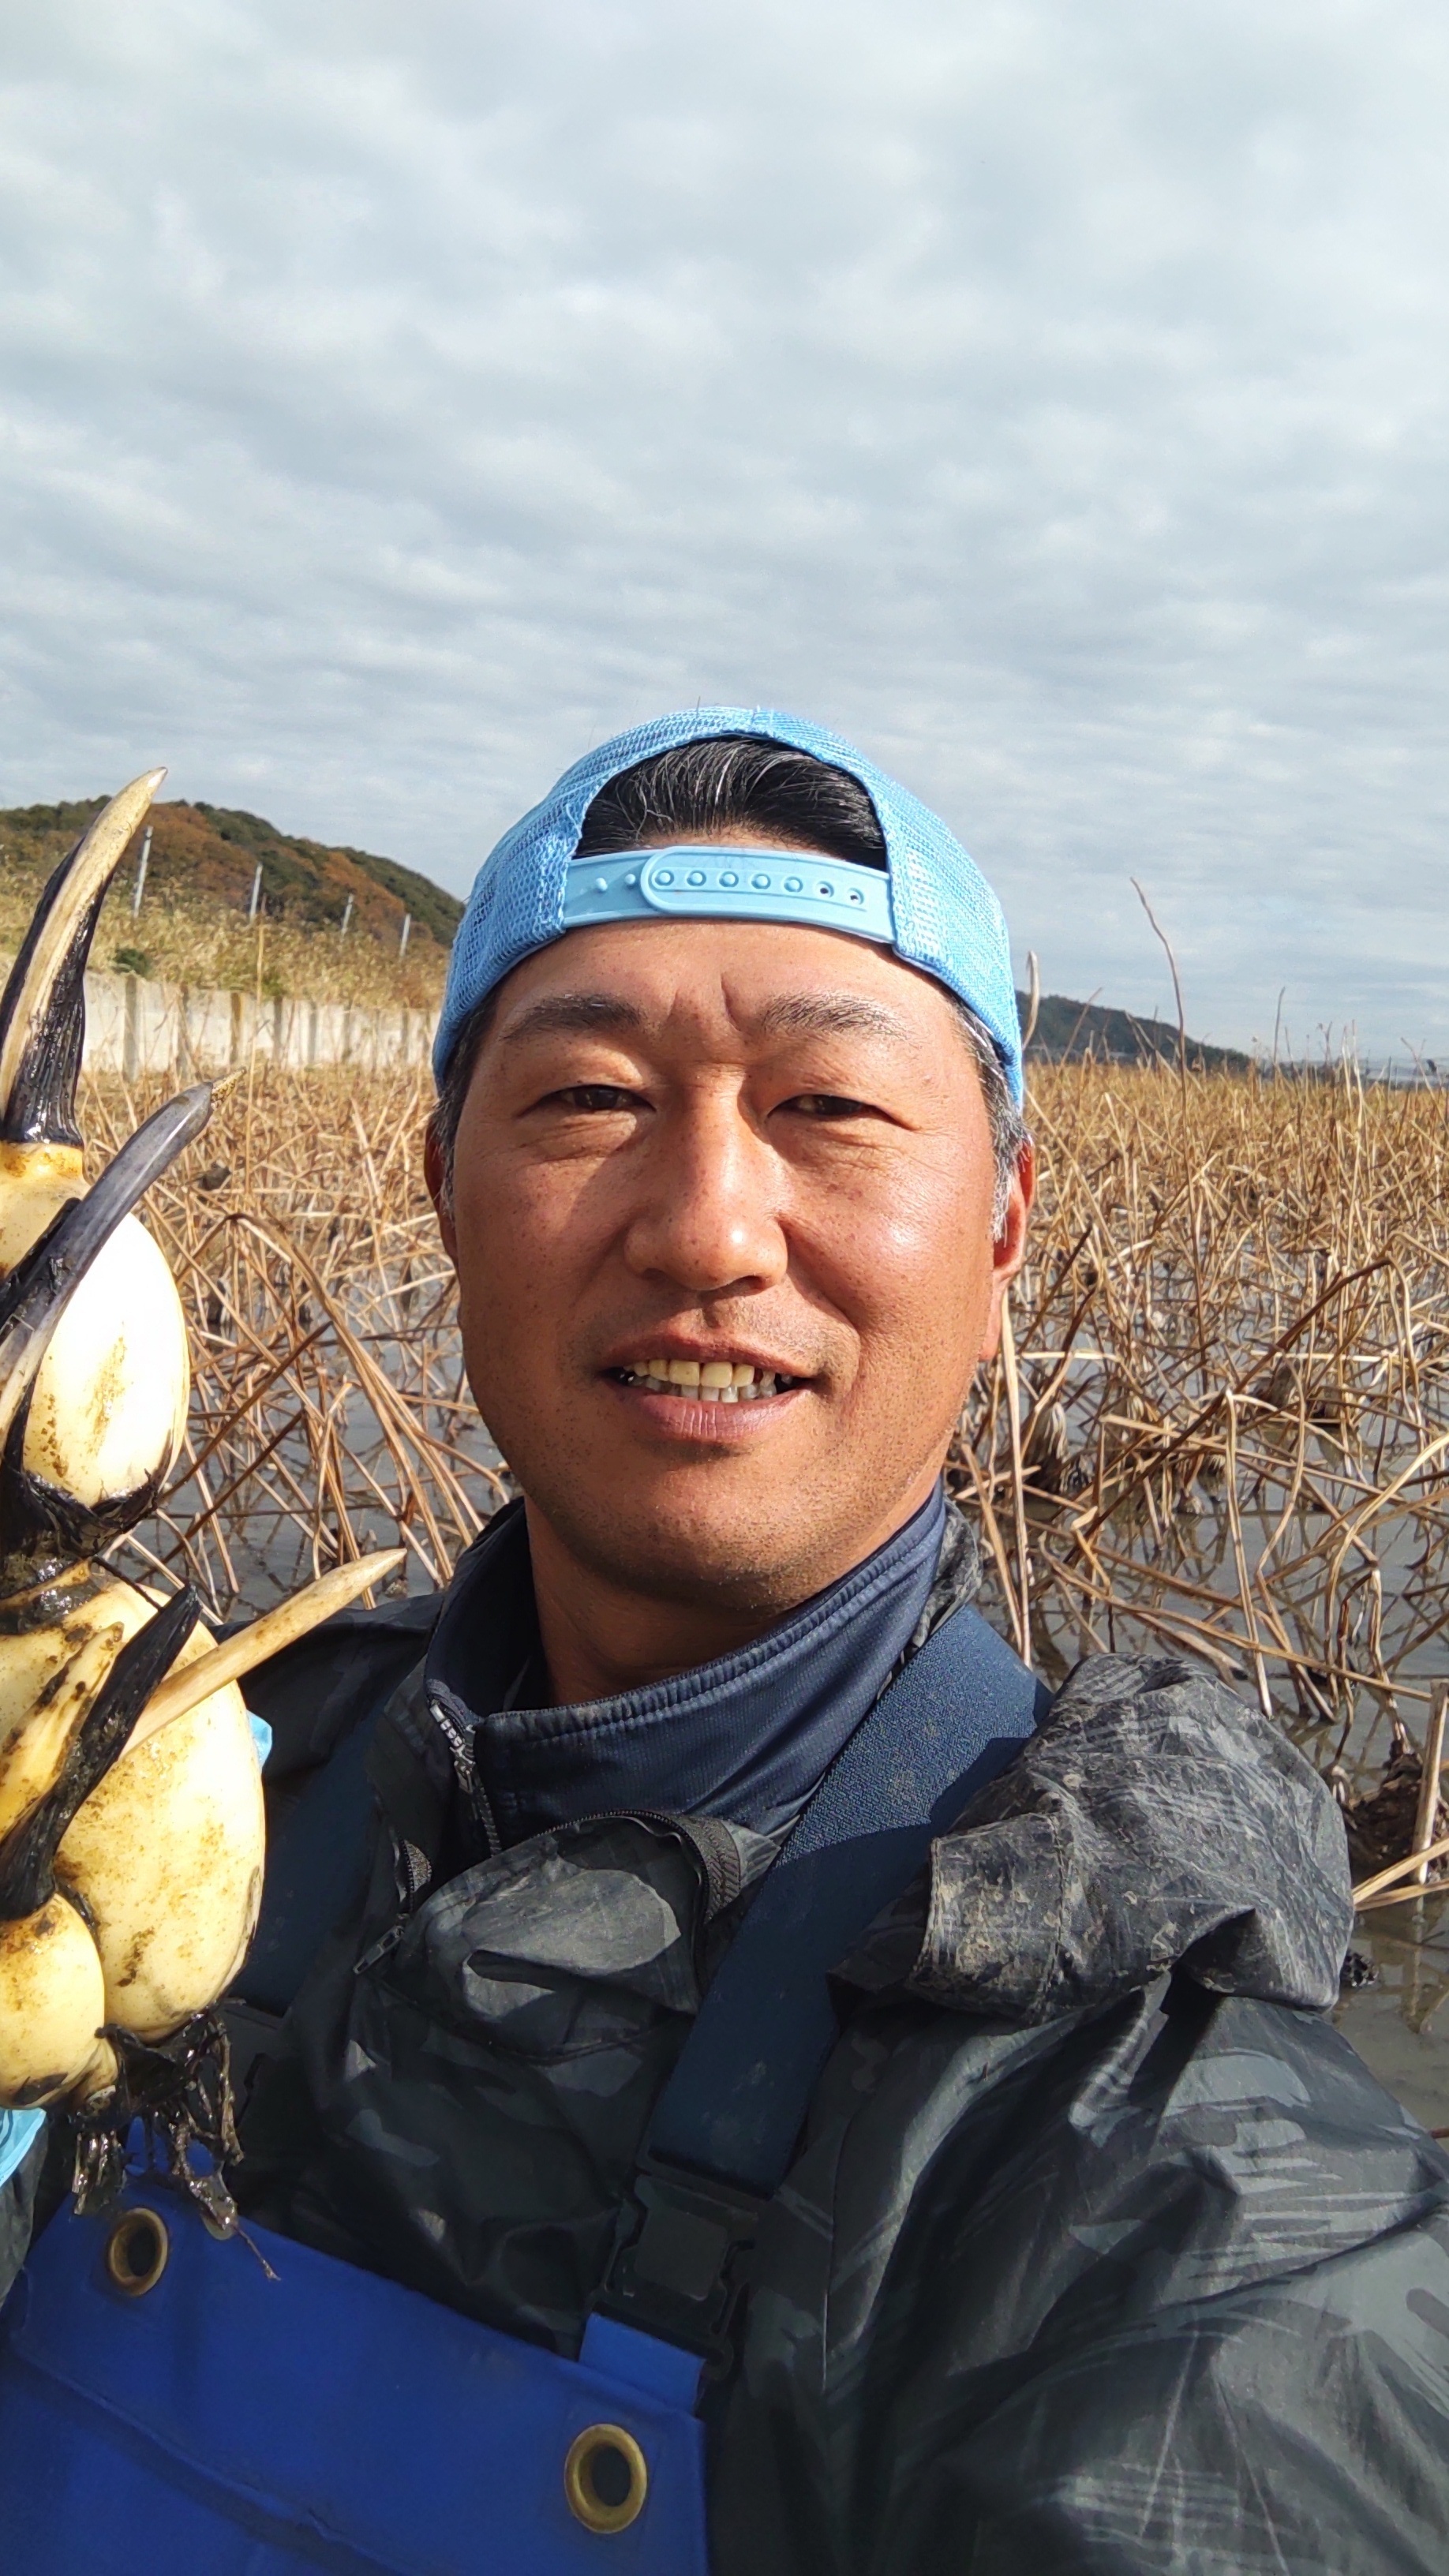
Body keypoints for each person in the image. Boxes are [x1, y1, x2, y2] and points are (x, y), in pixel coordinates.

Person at [1, 708, 1447, 2574]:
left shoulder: (1150, 2151)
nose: (704, 1227)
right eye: (589, 1098)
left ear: (1004, 1225)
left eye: (829, 1108)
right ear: (442, 1185)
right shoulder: (188, 1753)